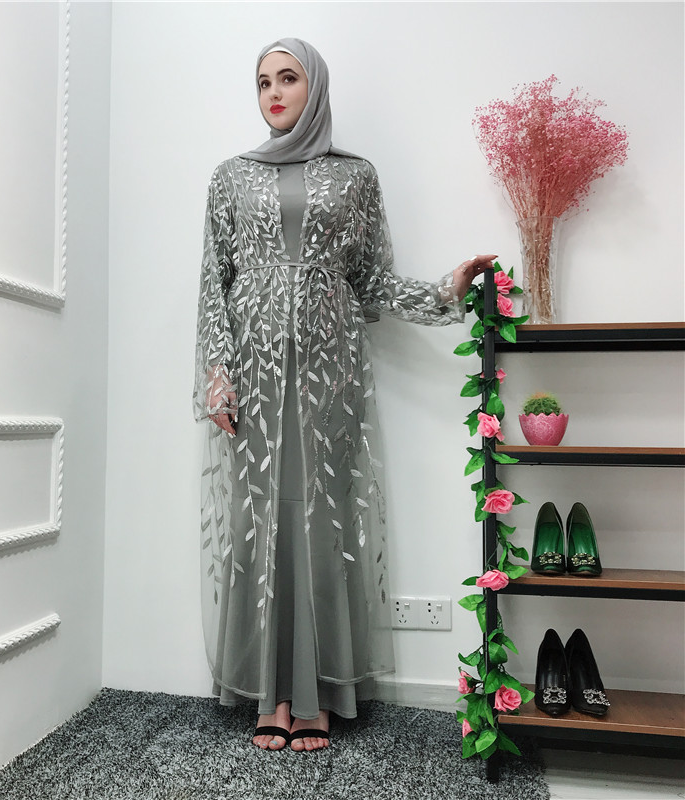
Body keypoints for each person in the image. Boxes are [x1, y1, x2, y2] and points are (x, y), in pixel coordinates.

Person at [193, 37, 494, 753]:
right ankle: (272, 691)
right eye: (263, 81)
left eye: (288, 78)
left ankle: (321, 694)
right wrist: (218, 373)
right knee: (260, 519)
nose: (274, 92)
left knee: (323, 519)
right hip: (255, 373)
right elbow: (215, 282)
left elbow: (371, 282)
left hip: (330, 372)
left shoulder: (355, 176)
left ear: (315, 88)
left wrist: (446, 291)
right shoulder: (229, 177)